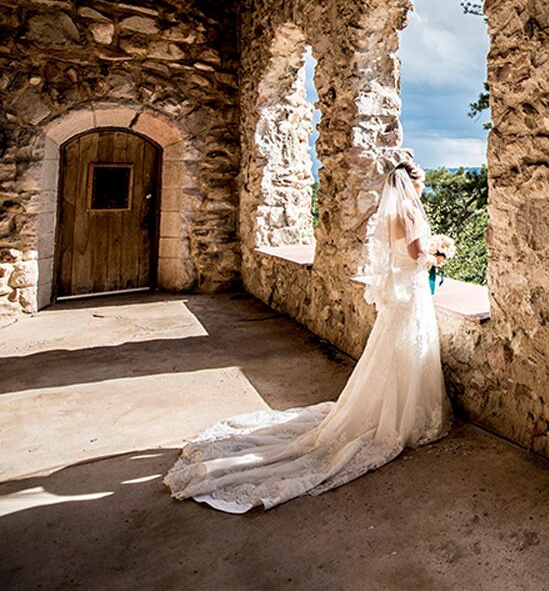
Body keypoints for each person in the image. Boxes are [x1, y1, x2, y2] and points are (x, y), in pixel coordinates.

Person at [163, 152, 451, 513]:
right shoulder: (409, 212)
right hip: (411, 293)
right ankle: (403, 418)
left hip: (401, 293)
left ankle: (391, 410)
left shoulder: (390, 213)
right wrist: (438, 254)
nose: (422, 192)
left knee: (392, 350)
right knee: (406, 348)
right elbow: (416, 252)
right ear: (412, 184)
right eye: (421, 185)